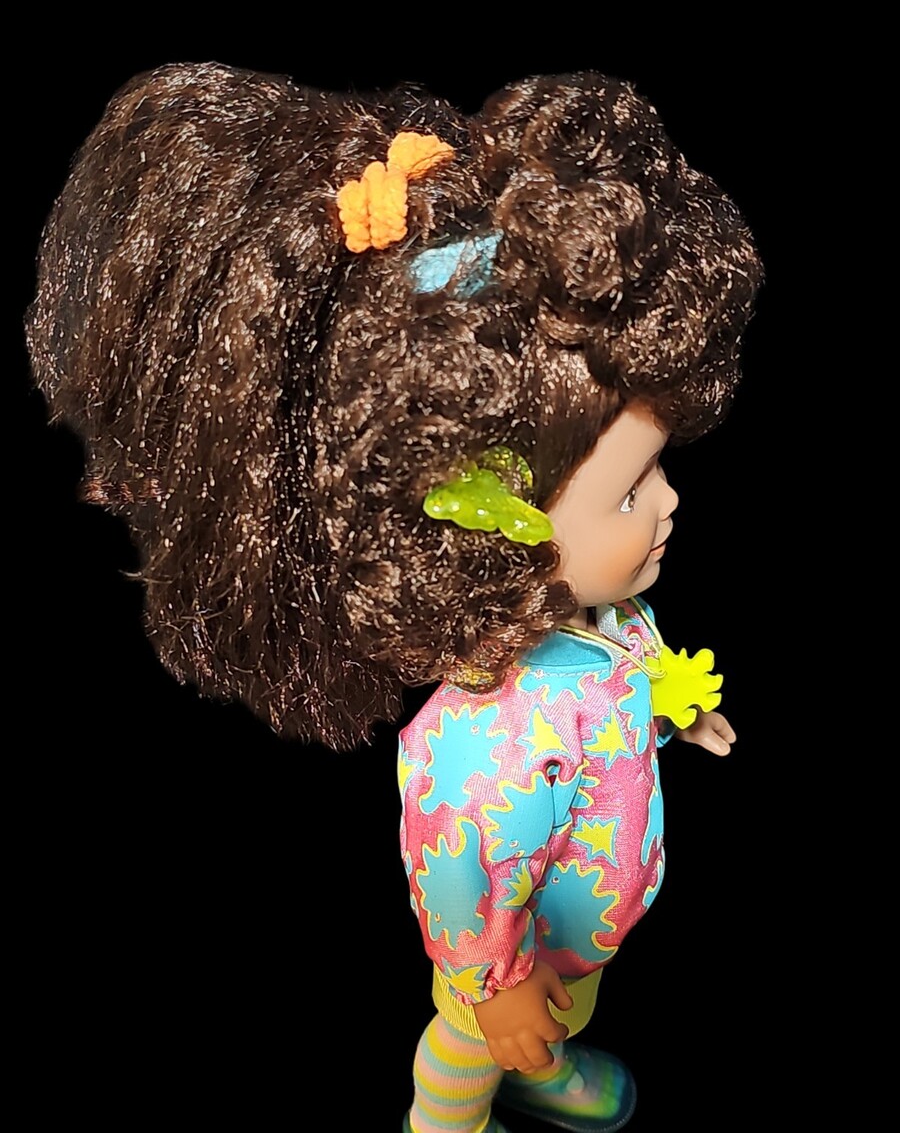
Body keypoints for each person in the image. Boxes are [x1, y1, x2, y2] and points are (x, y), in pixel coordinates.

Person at [25, 63, 761, 1132]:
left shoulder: (600, 616)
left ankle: (543, 1064)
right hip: (504, 960)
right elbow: (458, 871)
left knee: (567, 1004)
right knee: (471, 1042)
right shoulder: (478, 743)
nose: (670, 501)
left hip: (584, 920)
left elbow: (629, 657)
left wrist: (675, 702)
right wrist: (493, 983)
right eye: (629, 490)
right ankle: (446, 1118)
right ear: (491, 521)